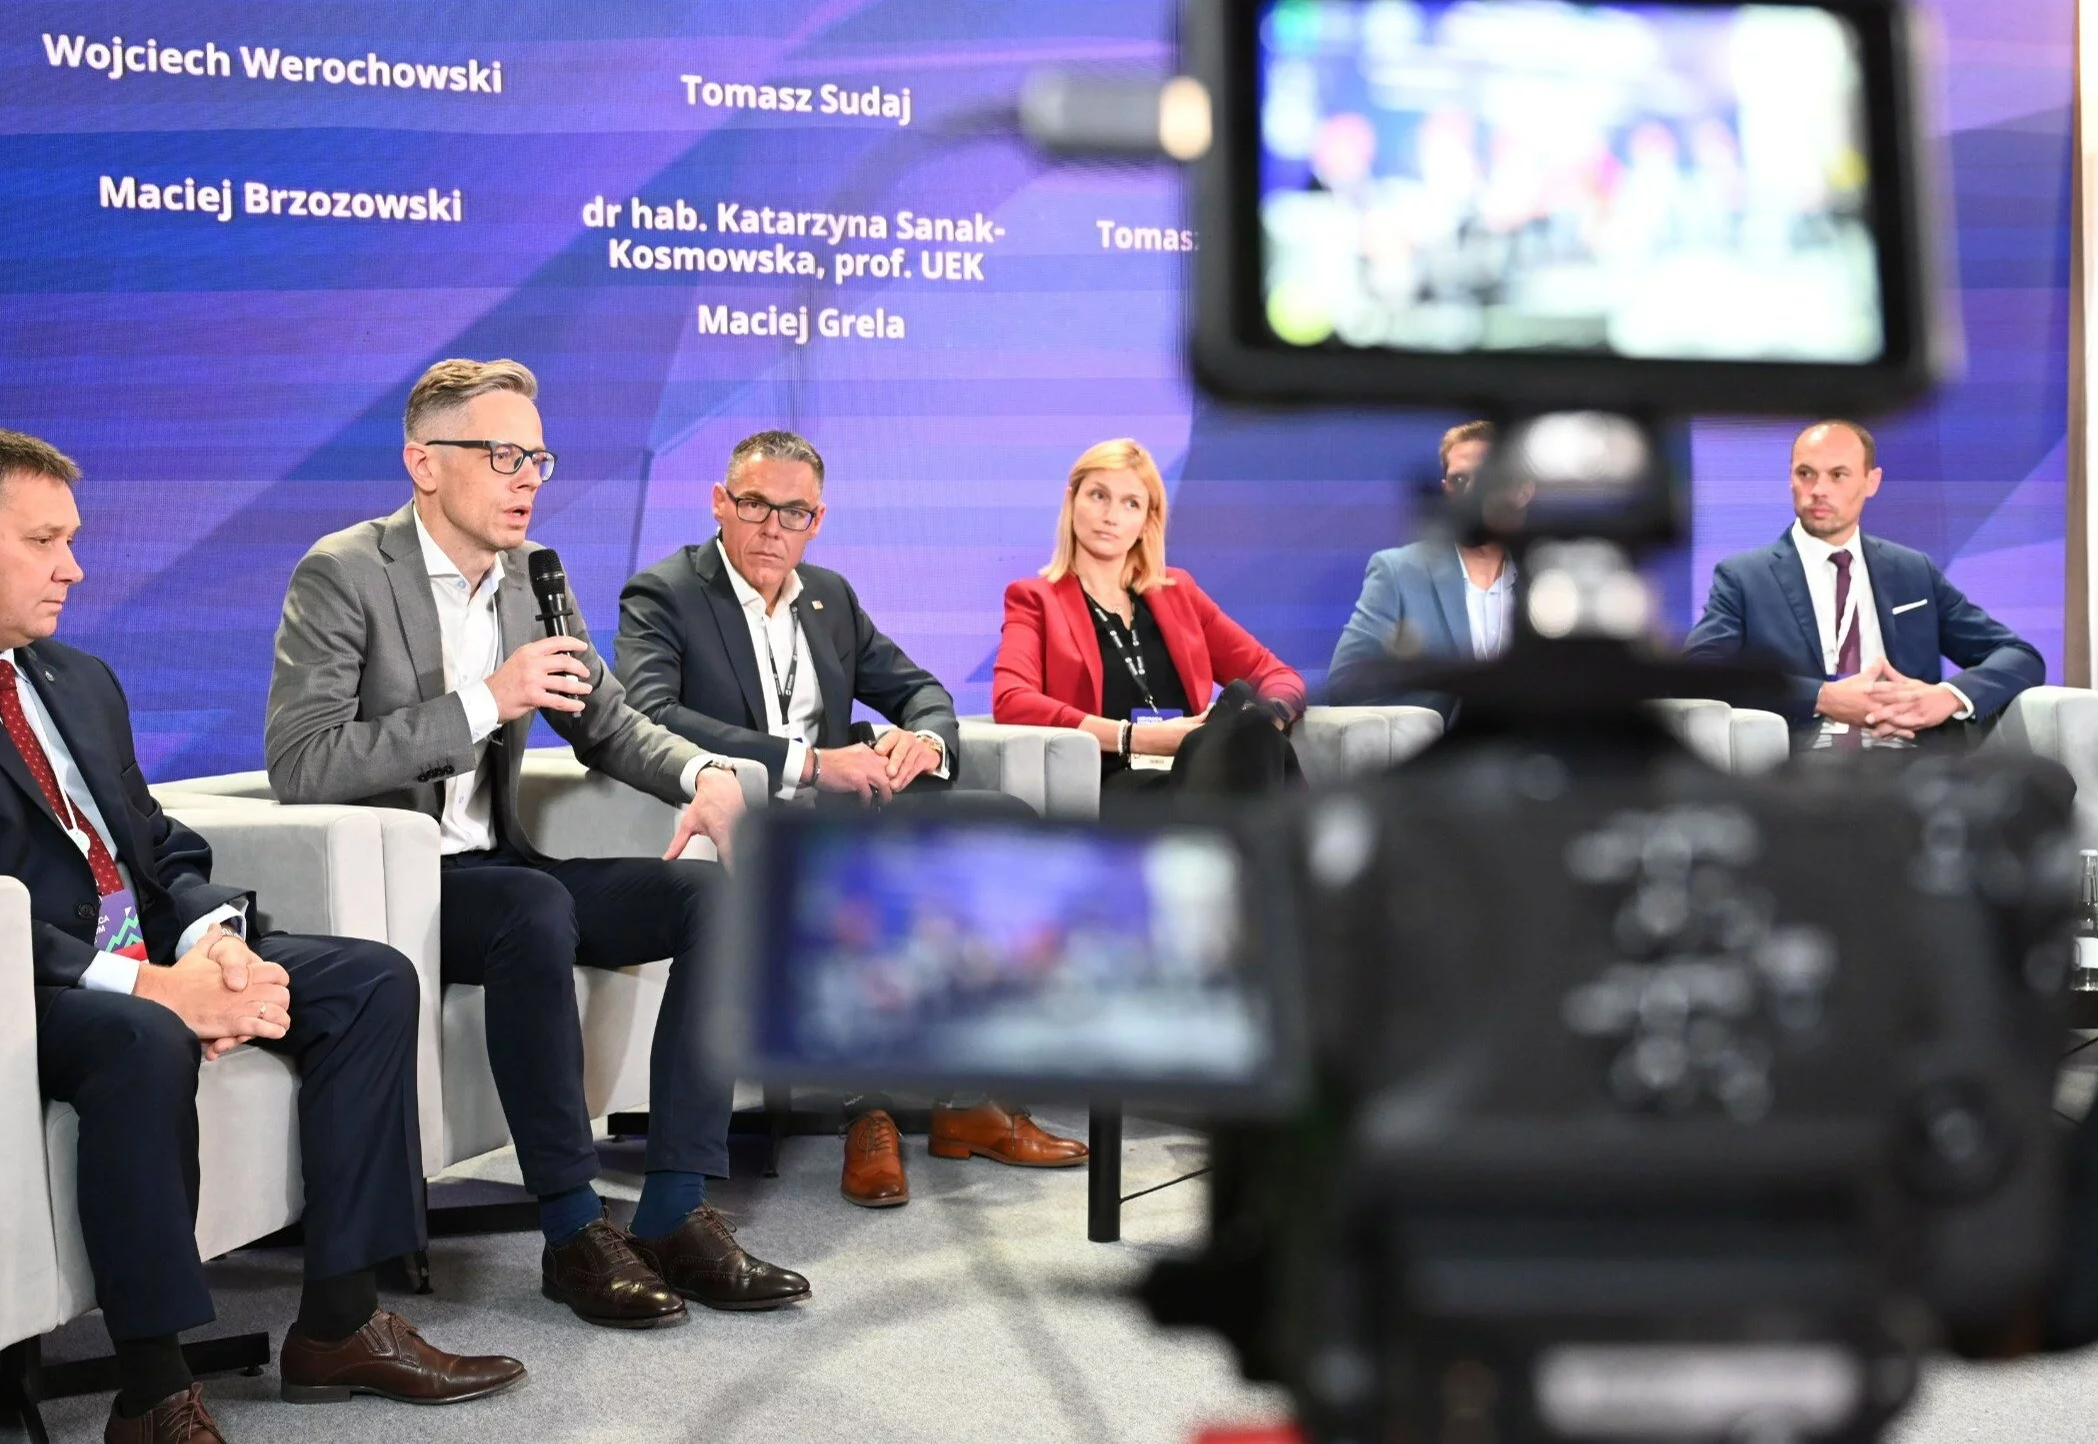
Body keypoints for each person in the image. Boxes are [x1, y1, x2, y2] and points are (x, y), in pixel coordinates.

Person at [0, 427, 524, 1444]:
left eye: (72, 540)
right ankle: (153, 1392)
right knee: (141, 1037)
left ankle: (339, 1323)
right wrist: (150, 990)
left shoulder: (74, 677)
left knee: (369, 981)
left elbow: (157, 848)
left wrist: (215, 943)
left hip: (127, 959)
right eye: (44, 540)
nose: (74, 566)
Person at [264, 359, 807, 1330]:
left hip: (502, 867)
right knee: (532, 904)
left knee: (712, 895)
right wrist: (485, 700)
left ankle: (675, 1209)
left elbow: (606, 721)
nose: (527, 477)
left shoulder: (531, 575)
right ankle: (568, 1230)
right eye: (503, 454)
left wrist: (704, 777)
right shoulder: (345, 570)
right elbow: (301, 761)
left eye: (538, 457)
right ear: (422, 463)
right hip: (396, 884)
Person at [615, 428, 1079, 1210]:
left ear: (817, 520)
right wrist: (809, 761)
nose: (771, 527)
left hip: (846, 813)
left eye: (793, 513)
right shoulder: (665, 593)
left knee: (1002, 823)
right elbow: (651, 712)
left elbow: (921, 688)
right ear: (720, 502)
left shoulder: (828, 597)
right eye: (755, 504)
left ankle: (965, 1097)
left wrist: (921, 743)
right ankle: (871, 1111)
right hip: (751, 820)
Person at [1682, 419, 2042, 749]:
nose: (1818, 490)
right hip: (1808, 761)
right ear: (1790, 478)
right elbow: (1699, 674)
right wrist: (1821, 697)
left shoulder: (1911, 570)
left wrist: (1948, 696)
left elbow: (2019, 656)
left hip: (1915, 756)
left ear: (1872, 482)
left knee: (2048, 782)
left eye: (1838, 475)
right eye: (1805, 473)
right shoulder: (1745, 577)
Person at [994, 437, 1307, 801]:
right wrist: (1134, 736)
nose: (1111, 515)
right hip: (1120, 781)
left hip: (1203, 770)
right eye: (1098, 495)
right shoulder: (1035, 599)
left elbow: (1279, 676)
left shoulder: (1178, 593)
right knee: (1245, 752)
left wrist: (1269, 718)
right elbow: (1012, 699)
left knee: (1250, 724)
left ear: (1147, 521)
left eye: (1131, 504)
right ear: (1071, 500)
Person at [1326, 420, 1512, 713]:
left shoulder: (1551, 578)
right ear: (1445, 491)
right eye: (1460, 481)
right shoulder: (1399, 572)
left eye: (1486, 480)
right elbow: (1346, 683)